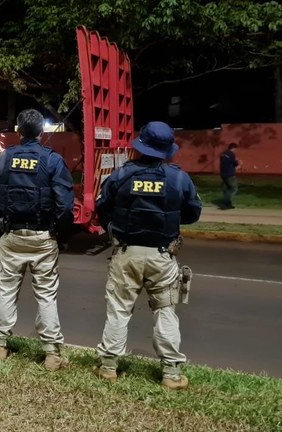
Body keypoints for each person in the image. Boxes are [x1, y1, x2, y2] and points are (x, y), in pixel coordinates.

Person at [94, 121, 202, 390]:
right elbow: (192, 214)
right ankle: (171, 373)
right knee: (165, 311)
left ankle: (108, 367)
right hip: (162, 256)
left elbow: (102, 208)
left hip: (125, 254)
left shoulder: (121, 175)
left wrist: (112, 226)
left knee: (118, 310)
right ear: (167, 150)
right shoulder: (179, 178)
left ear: (140, 145)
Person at [0, 109, 74, 371]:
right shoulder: (52, 160)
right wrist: (59, 231)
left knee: (7, 291)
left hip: (11, 236)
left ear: (18, 131)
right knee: (46, 295)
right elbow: (65, 205)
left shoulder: (2, 159)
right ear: (41, 132)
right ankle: (52, 354)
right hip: (43, 237)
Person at [219, 142, 240, 210]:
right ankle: (224, 203)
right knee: (233, 189)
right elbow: (235, 163)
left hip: (223, 174)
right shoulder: (231, 154)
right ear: (234, 148)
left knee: (226, 189)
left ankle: (228, 204)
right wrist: (238, 162)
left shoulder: (223, 154)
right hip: (230, 174)